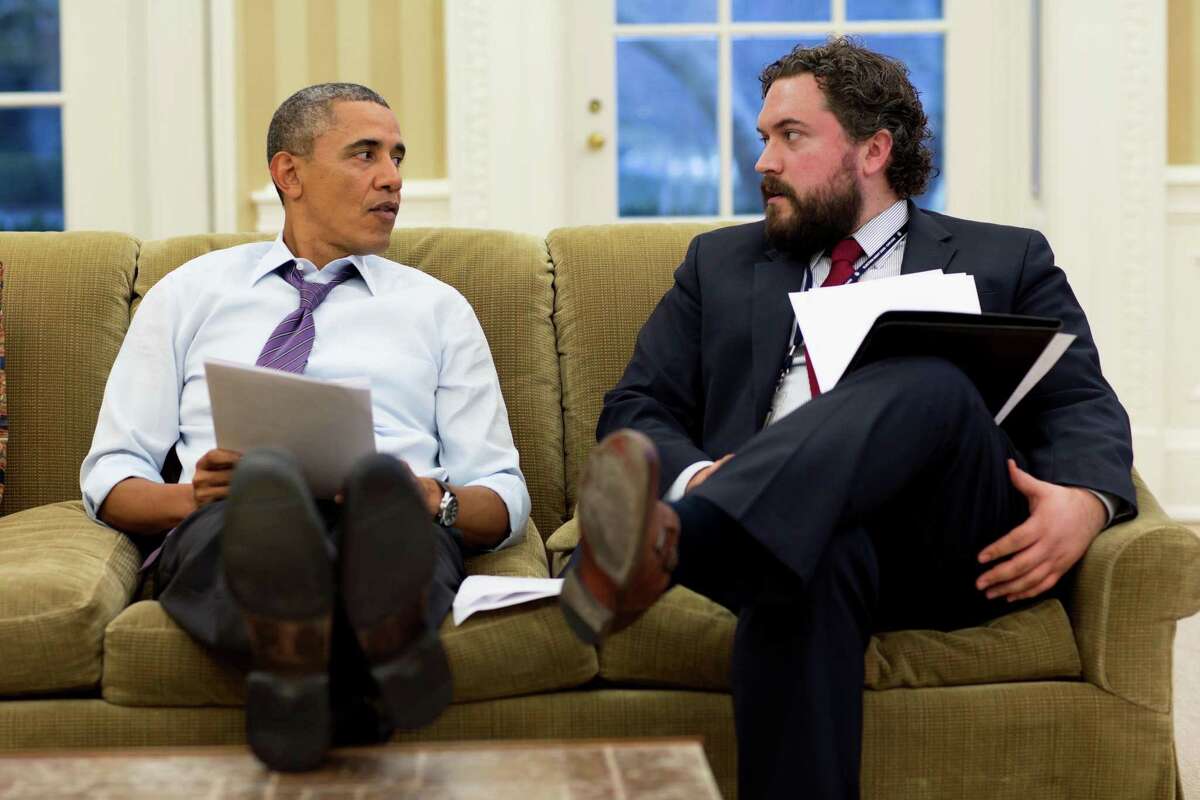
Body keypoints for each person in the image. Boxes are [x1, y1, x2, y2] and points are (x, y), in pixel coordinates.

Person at [560, 38, 1135, 800]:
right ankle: (740, 517)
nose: (762, 160)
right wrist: (704, 472)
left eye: (790, 137)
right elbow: (638, 406)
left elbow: (1083, 403)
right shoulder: (719, 266)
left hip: (952, 537)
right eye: (763, 138)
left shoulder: (1006, 259)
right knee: (806, 553)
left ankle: (690, 536)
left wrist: (1087, 502)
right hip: (793, 536)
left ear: (874, 149)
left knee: (930, 373)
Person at [80, 83, 529, 772]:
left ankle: (297, 667)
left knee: (383, 524)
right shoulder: (188, 295)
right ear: (289, 174)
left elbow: (502, 494)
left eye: (397, 157)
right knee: (255, 517)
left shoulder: (439, 311)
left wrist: (432, 500)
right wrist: (189, 499)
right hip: (224, 525)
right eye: (364, 154)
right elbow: (110, 474)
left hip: (390, 526)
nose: (393, 178)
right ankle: (387, 653)